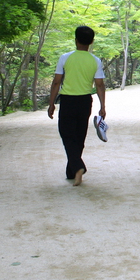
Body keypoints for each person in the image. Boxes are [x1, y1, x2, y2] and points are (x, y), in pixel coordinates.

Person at [47, 25, 107, 186]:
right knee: (79, 137)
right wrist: (103, 106)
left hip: (68, 101)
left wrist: (51, 103)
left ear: (75, 40)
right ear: (91, 42)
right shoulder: (95, 61)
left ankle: (78, 167)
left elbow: (56, 82)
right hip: (85, 101)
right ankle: (71, 171)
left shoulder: (65, 58)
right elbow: (100, 85)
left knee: (67, 135)